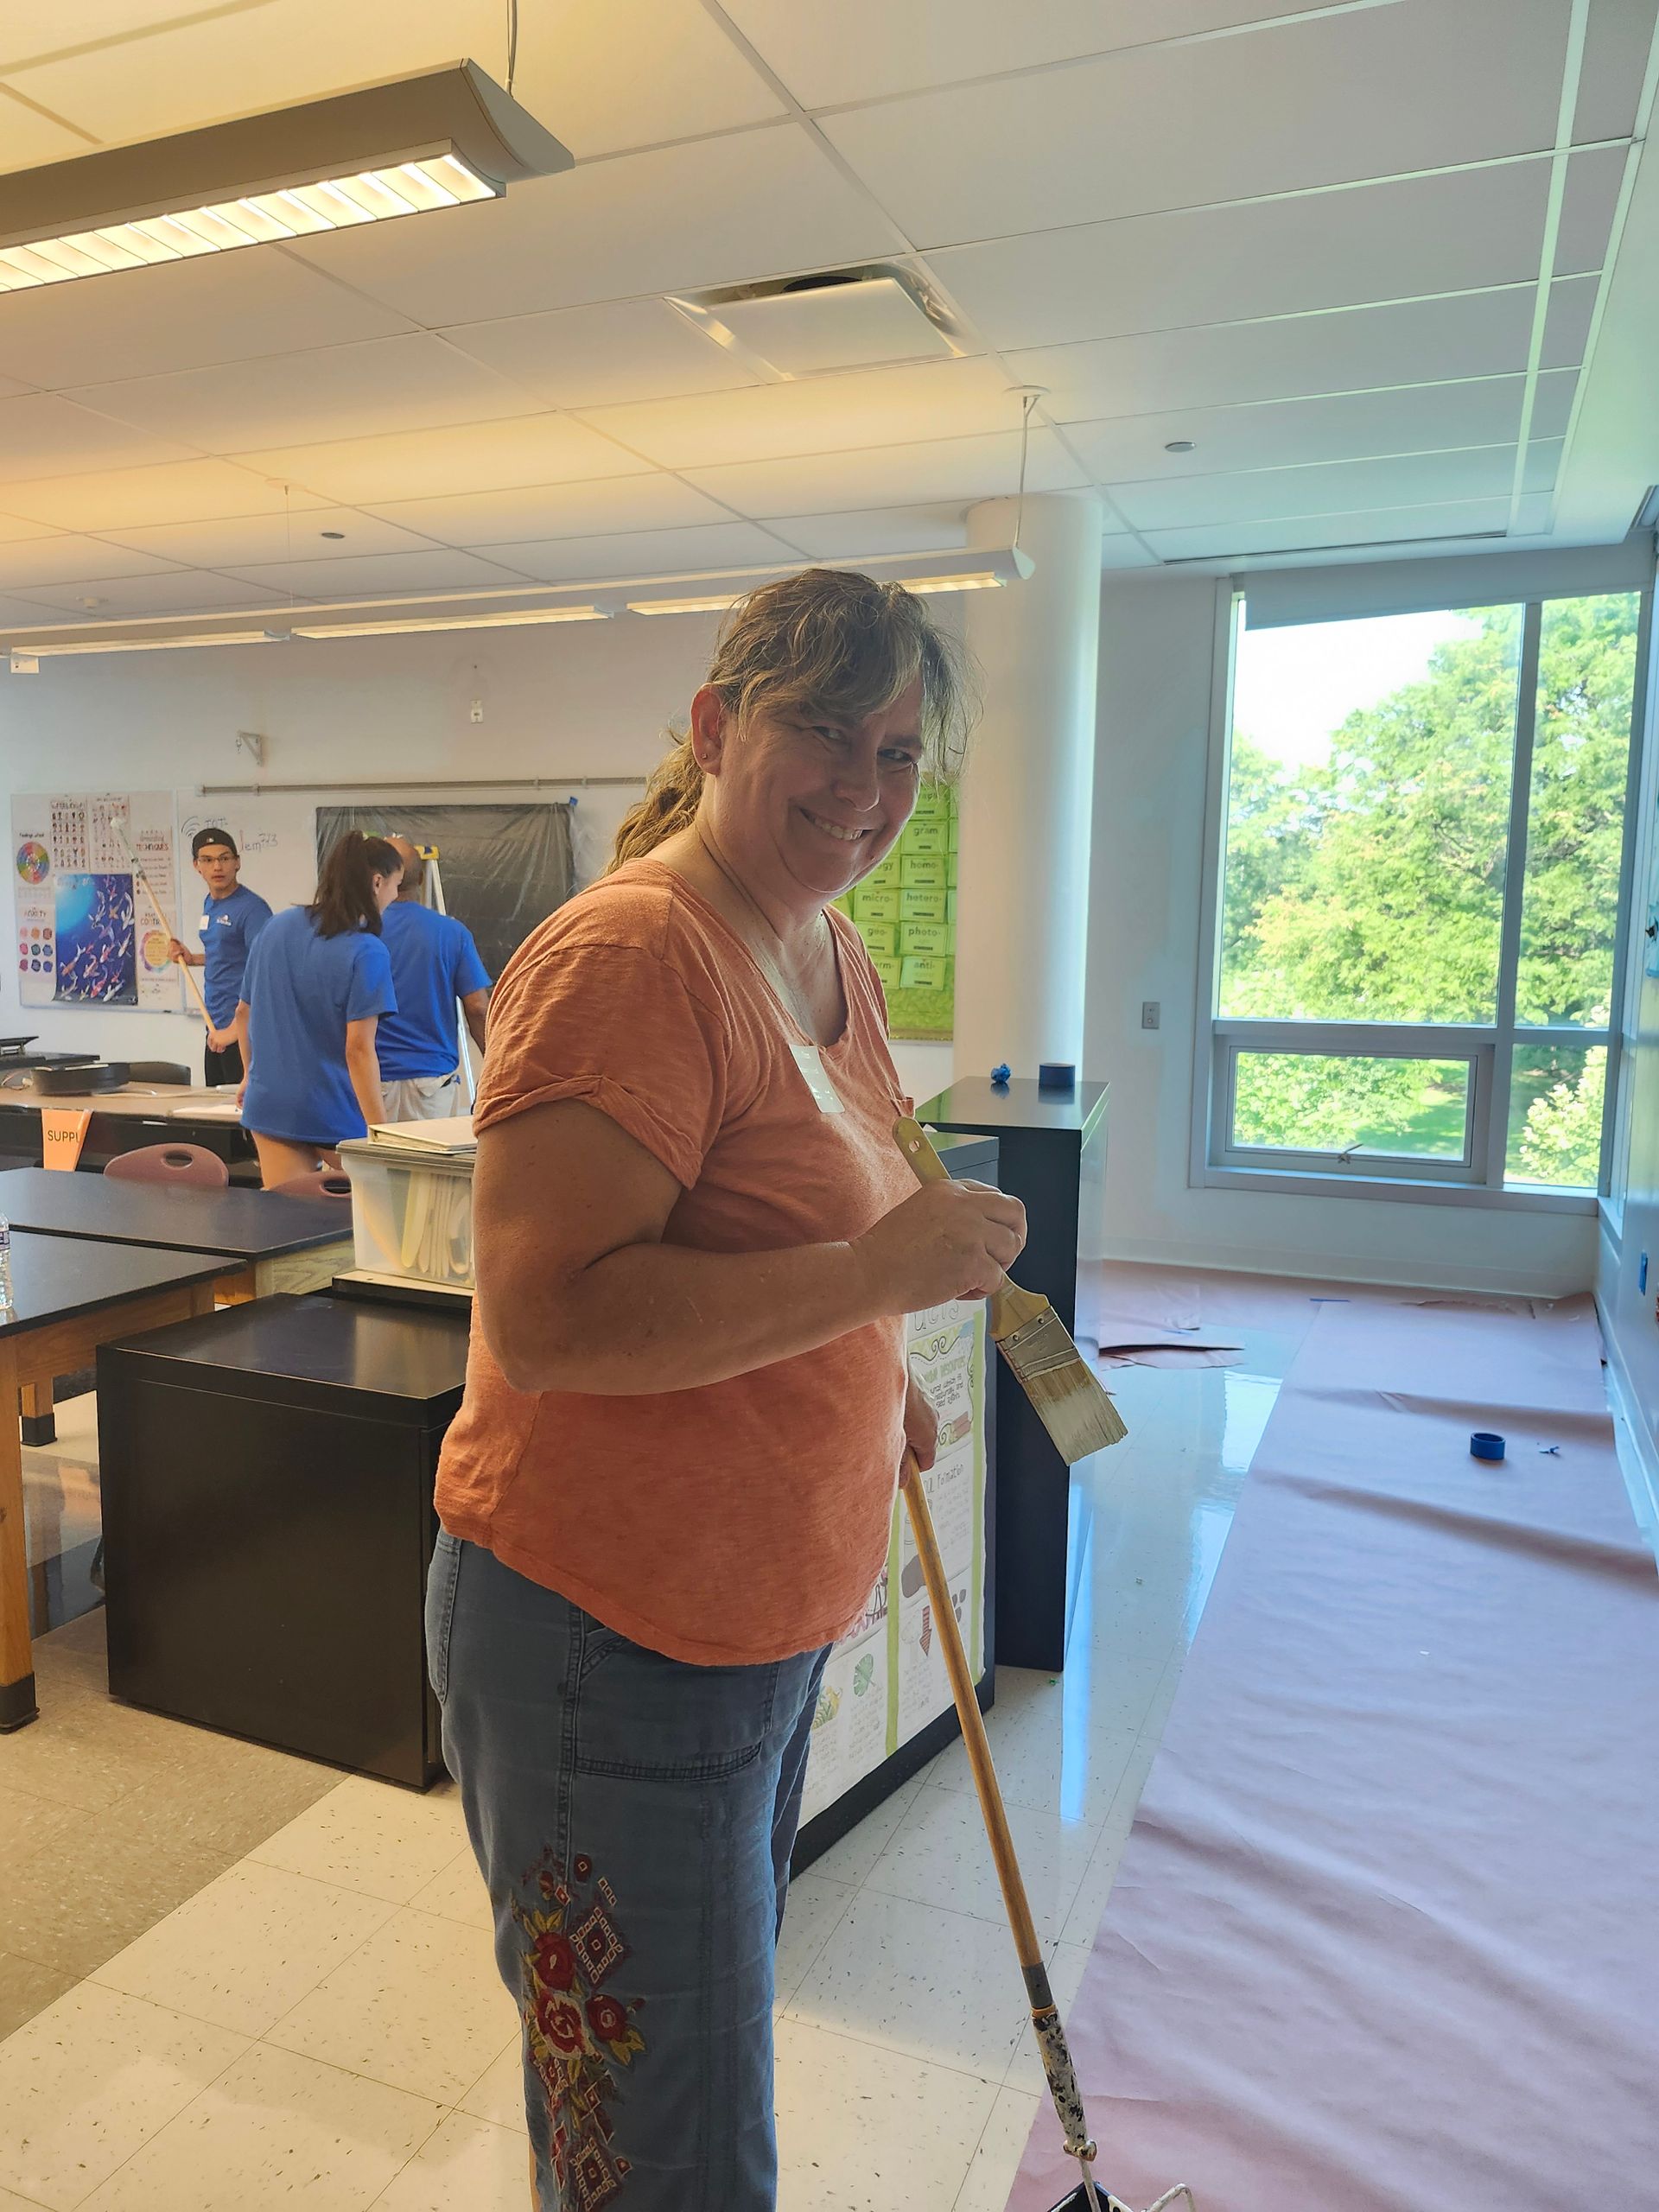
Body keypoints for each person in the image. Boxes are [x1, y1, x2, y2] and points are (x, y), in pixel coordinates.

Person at [425, 569, 1025, 2210]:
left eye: (902, 751)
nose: (865, 785)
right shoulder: (635, 955)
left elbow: (808, 1219)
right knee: (666, 2148)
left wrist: (873, 1372)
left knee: (671, 2087)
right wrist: (875, 1288)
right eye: (824, 732)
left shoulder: (827, 951)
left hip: (748, 1629)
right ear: (714, 727)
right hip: (604, 1640)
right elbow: (550, 1323)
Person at [233, 831, 402, 1189]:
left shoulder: (276, 926)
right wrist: (380, 1132)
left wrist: (249, 1075)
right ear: (377, 882)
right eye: (395, 885)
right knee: (372, 1223)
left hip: (271, 1104)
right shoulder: (367, 951)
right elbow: (359, 1050)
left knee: (287, 1230)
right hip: (331, 1107)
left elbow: (242, 1015)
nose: (396, 895)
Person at [375, 836, 493, 1122]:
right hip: (432, 1083)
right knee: (429, 1166)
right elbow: (477, 1008)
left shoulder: (354, 932)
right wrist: (493, 1067)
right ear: (420, 877)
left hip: (371, 1080)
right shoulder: (450, 932)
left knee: (372, 1166)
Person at [168, 828, 271, 1085]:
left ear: (237, 863)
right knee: (216, 1116)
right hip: (213, 1026)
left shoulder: (253, 909)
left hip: (244, 1033)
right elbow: (227, 953)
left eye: (224, 858)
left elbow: (269, 972)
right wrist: (193, 959)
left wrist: (234, 1032)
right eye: (208, 859)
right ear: (196, 866)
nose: (217, 866)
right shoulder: (209, 904)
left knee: (243, 1118)